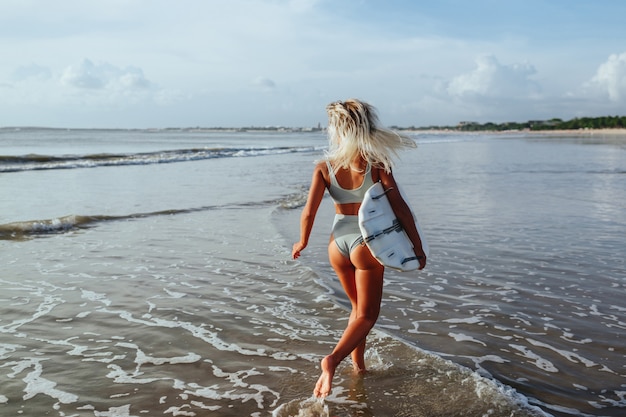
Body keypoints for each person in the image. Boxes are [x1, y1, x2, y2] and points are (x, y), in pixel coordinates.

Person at [291, 99, 427, 398]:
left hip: (336, 243)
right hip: (367, 243)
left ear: (337, 130)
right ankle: (332, 361)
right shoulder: (377, 164)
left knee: (356, 310)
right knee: (368, 315)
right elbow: (400, 209)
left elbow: (308, 212)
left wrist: (302, 241)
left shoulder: (323, 168)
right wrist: (417, 246)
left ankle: (359, 365)